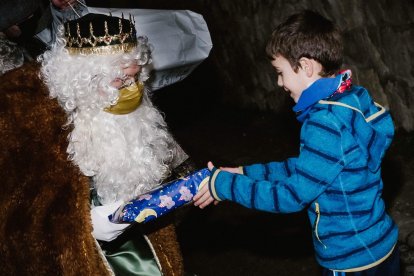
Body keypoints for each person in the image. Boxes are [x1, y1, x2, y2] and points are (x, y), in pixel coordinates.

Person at [194, 10, 400, 275]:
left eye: (280, 72)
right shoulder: (350, 101)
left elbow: (292, 196)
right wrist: (244, 172)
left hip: (352, 260)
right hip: (380, 245)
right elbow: (308, 170)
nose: (279, 83)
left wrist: (224, 186)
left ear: (306, 66)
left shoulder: (324, 123)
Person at [39, 13, 189, 275]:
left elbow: (176, 171)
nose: (133, 89)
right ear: (84, 81)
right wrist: (82, 224)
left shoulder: (141, 113)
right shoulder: (43, 126)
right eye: (120, 81)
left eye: (135, 77)